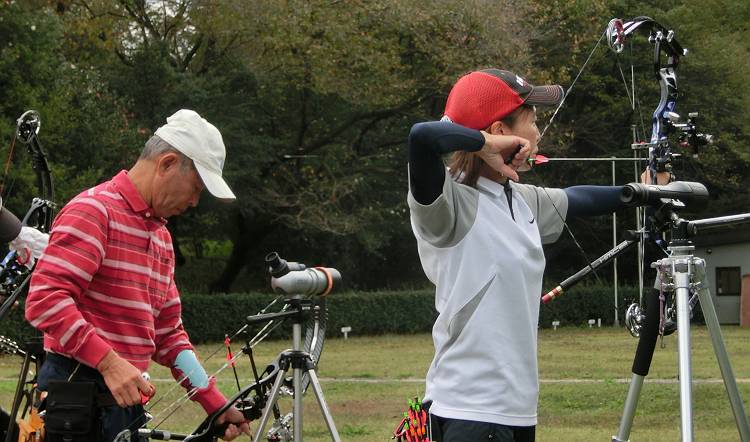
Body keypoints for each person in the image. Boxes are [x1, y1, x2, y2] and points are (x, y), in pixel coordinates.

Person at [407, 69, 644, 442]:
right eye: (532, 122)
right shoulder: (449, 205)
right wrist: (481, 142)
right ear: (501, 132)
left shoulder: (519, 199)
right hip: (469, 411)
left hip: (517, 410)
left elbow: (580, 199)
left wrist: (642, 190)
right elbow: (422, 138)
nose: (537, 134)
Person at [25, 109, 250, 441]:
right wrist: (109, 363)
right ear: (167, 163)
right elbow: (45, 300)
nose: (194, 201)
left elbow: (169, 336)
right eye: (197, 187)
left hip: (123, 399)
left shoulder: (160, 236)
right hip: (79, 403)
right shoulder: (93, 211)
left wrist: (215, 403)